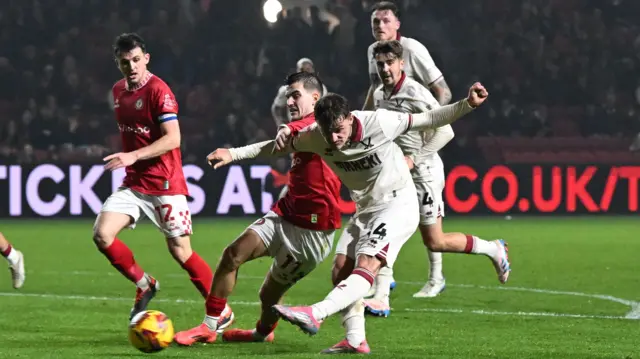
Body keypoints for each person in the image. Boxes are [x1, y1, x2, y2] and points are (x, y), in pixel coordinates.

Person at [207, 82, 504, 354]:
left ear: (350, 118)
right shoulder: (316, 136)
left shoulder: (381, 122)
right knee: (340, 270)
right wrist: (233, 154)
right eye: (327, 133)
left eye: (339, 130)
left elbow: (430, 119)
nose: (334, 140)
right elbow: (274, 147)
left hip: (398, 204)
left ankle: (316, 312)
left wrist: (468, 104)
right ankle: (355, 339)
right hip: (365, 208)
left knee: (367, 266)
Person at [173, 71, 343, 345]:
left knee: (268, 296)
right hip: (284, 214)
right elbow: (272, 148)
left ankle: (261, 334)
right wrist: (233, 154)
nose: (289, 101)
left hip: (312, 233)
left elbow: (311, 126)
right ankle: (209, 325)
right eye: (288, 96)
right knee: (232, 255)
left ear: (315, 97)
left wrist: (289, 128)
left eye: (295, 95)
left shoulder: (325, 126)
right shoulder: (299, 128)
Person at [363, 40, 511, 318]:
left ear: (401, 63)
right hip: (396, 172)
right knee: (382, 227)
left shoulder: (415, 93)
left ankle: (493, 248)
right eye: (380, 64)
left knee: (435, 241)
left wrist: (413, 158)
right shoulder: (379, 92)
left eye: (389, 63)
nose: (384, 69)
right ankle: (381, 296)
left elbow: (446, 133)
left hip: (424, 171)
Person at [94, 33, 225, 324]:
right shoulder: (118, 91)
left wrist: (133, 155)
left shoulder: (158, 90)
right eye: (125, 62)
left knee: (181, 252)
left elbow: (173, 139)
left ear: (147, 59)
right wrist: (131, 161)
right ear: (118, 63)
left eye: (137, 60)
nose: (132, 67)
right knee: (102, 234)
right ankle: (144, 284)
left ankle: (221, 311)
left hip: (165, 182)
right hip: (135, 183)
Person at [362, 1, 454, 298]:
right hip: (394, 150)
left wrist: (434, 121)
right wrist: (362, 125)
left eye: (385, 20)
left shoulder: (413, 50)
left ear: (397, 24)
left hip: (419, 138)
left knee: (432, 233)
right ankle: (382, 285)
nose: (379, 26)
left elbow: (441, 88)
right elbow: (375, 90)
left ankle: (436, 276)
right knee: (384, 212)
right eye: (375, 21)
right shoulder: (373, 52)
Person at [272, 58, 328, 200]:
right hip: (297, 137)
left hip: (315, 137)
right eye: (303, 70)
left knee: (308, 177)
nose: (306, 73)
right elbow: (276, 109)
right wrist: (282, 127)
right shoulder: (288, 89)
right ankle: (282, 209)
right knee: (302, 175)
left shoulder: (322, 89)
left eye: (309, 70)